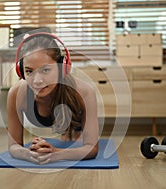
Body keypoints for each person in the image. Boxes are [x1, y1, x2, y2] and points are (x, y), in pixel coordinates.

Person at [6, 32, 99, 165]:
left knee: (74, 141)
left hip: (72, 112)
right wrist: (30, 154)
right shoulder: (16, 93)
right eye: (29, 71)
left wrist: (56, 154)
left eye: (45, 70)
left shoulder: (84, 92)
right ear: (21, 71)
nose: (37, 81)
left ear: (62, 68)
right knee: (67, 141)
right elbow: (13, 146)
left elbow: (92, 148)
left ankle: (70, 132)